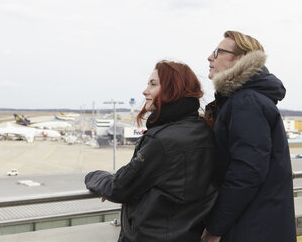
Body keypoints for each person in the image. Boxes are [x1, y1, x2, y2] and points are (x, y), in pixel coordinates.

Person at [85, 60, 217, 242]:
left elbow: (119, 187)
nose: (145, 91)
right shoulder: (204, 130)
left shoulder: (162, 141)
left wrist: (94, 177)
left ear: (173, 89)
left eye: (153, 84)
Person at [201, 31, 296, 242]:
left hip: (250, 228)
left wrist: (215, 229)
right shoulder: (244, 100)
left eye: (217, 52)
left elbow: (247, 172)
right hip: (259, 224)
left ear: (241, 58)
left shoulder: (246, 102)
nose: (210, 57)